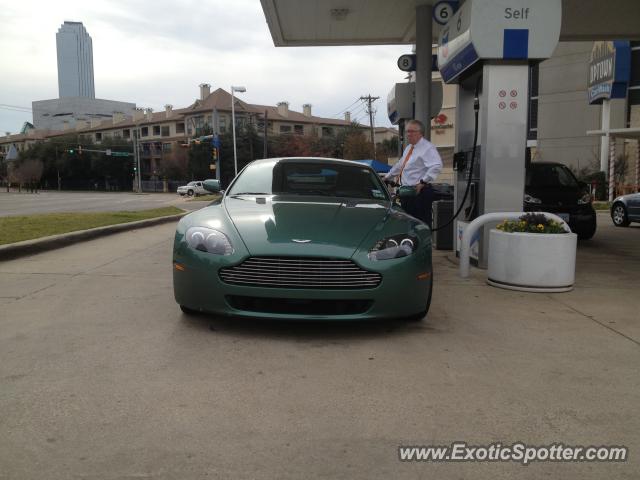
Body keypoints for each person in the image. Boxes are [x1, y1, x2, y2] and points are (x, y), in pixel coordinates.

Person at [384, 119, 443, 227]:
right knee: (408, 224)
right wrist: (387, 177)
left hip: (419, 193)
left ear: (420, 132)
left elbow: (436, 166)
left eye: (411, 131)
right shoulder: (409, 148)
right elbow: (400, 165)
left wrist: (423, 182)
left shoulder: (427, 147)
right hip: (407, 193)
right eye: (407, 131)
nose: (408, 134)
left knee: (420, 225)